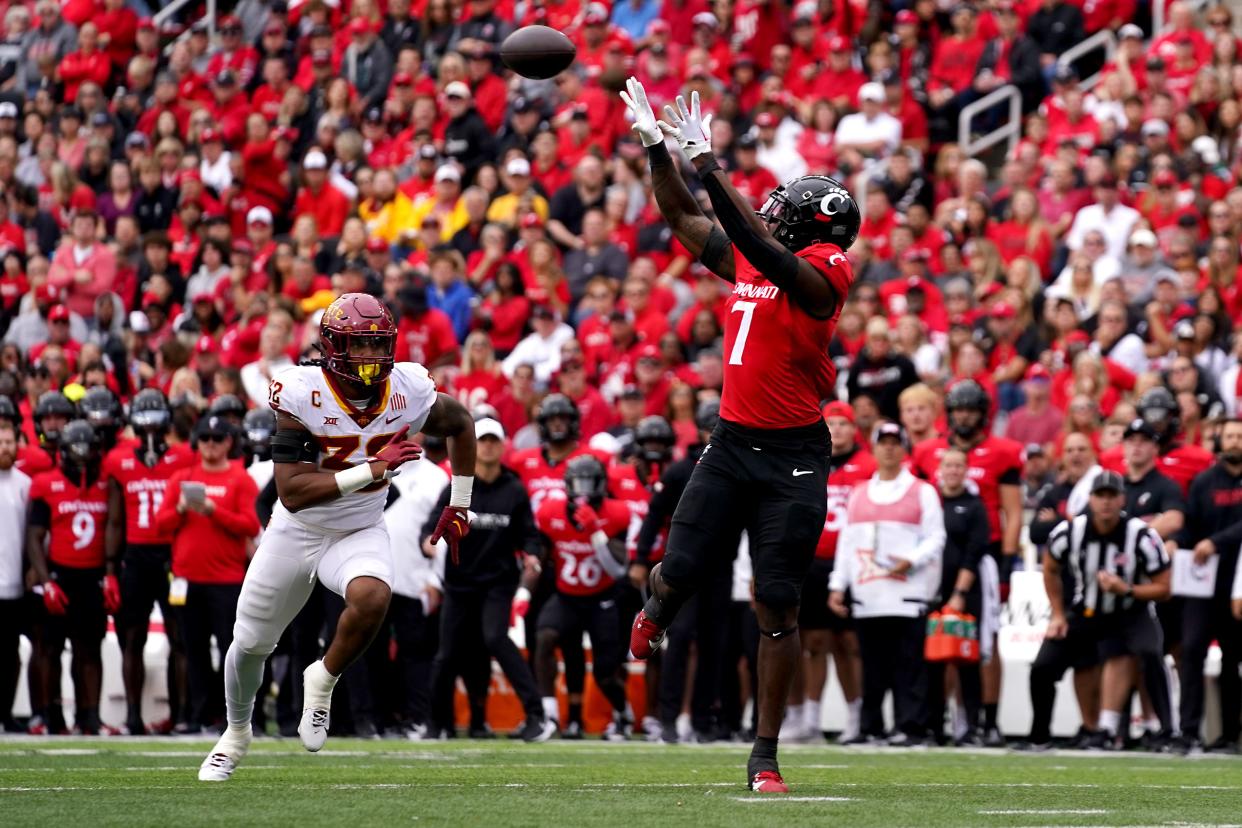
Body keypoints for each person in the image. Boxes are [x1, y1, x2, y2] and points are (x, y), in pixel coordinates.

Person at [622, 80, 857, 791]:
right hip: (731, 444)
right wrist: (659, 151)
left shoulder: (825, 271)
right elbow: (685, 219)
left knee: (778, 600)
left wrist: (711, 165)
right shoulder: (757, 255)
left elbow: (762, 244)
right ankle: (657, 607)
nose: (775, 214)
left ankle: (765, 757)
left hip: (792, 456)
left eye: (788, 209)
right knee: (682, 570)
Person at [198, 293, 477, 781]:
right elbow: (292, 492)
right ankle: (236, 733)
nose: (371, 358)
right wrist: (372, 468)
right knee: (249, 645)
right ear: (332, 347)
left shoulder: (408, 388)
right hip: (296, 531)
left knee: (373, 598)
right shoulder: (303, 390)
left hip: (358, 527)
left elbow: (461, 423)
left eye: (377, 346)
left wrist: (460, 501)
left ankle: (322, 678)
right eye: (359, 346)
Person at [425, 417, 554, 741]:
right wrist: (429, 545)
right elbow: (429, 530)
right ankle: (436, 723)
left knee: (496, 638)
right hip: (459, 584)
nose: (488, 446)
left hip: (498, 584)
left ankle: (537, 716)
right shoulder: (457, 487)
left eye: (494, 440)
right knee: (447, 654)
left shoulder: (514, 489)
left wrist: (533, 554)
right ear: (473, 445)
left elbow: (530, 535)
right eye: (482, 440)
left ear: (503, 446)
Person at [911, 379, 1023, 745]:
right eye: (958, 409)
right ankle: (942, 719)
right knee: (938, 640)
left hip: (983, 556)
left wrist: (1006, 565)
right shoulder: (928, 452)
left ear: (983, 414)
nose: (963, 416)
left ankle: (987, 719)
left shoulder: (1002, 451)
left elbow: (1012, 513)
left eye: (970, 409)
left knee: (984, 641)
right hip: (937, 557)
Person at [1024, 472, 1171, 750]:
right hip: (1087, 611)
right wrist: (1057, 613)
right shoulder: (1070, 532)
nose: (1105, 502)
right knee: (1043, 666)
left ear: (1122, 500)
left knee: (1150, 652)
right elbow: (1051, 568)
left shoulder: (1141, 535)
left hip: (1130, 610)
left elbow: (1165, 587)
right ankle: (1040, 736)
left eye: (1111, 496)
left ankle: (1165, 730)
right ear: (1090, 499)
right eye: (1100, 496)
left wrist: (1126, 589)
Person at [829, 422, 944, 744]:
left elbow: (936, 537)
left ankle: (910, 726)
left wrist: (913, 560)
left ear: (904, 448)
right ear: (875, 448)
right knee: (872, 666)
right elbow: (847, 545)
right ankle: (871, 726)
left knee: (909, 665)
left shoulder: (922, 491)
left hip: (909, 592)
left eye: (896, 442)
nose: (890, 448)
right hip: (869, 594)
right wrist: (838, 585)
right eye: (884, 442)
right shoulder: (859, 493)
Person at [155, 415, 260, 732]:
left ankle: (227, 714)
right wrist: (183, 509)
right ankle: (199, 713)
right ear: (196, 442)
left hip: (226, 580)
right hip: (188, 578)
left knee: (230, 650)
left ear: (229, 442)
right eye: (204, 439)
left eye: (217, 439)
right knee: (193, 650)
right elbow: (161, 525)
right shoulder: (180, 479)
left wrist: (215, 512)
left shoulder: (240, 479)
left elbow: (250, 526)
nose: (210, 445)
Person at [103, 388, 192, 735]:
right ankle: (133, 717)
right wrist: (111, 569)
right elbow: (113, 519)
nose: (151, 427)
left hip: (172, 556)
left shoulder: (183, 458)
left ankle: (182, 714)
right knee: (132, 636)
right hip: (136, 555)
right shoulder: (118, 461)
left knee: (178, 634)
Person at [783, 400, 871, 744]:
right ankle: (810, 718)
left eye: (844, 423)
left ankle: (855, 715)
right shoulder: (808, 461)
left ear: (855, 429)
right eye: (831, 423)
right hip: (811, 562)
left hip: (851, 564)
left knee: (848, 643)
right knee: (813, 642)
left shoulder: (867, 466)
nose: (837, 429)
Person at [26, 420, 118, 735]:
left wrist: (109, 574)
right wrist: (45, 580)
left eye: (88, 451)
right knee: (50, 649)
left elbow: (114, 526)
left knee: (89, 649)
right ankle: (51, 715)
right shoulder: (45, 483)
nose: (82, 458)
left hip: (92, 576)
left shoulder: (108, 483)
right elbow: (34, 536)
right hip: (59, 574)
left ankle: (89, 715)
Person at [532, 454, 632, 738]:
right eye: (577, 482)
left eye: (589, 482)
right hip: (566, 595)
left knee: (604, 672)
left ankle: (623, 714)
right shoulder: (550, 512)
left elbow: (618, 568)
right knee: (545, 637)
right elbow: (540, 556)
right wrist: (523, 592)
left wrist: (596, 532)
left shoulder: (616, 513)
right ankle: (551, 715)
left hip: (603, 597)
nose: (583, 489)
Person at [1172, 418, 1242, 753]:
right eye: (1230, 436)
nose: (1235, 441)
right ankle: (1188, 731)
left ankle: (1230, 735)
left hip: (1237, 585)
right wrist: (1177, 546)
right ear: (1219, 440)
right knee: (1192, 652)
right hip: (1202, 583)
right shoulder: (1203, 482)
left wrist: (1215, 541)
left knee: (1233, 658)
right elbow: (1190, 527)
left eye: (1240, 436)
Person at [927, 446, 989, 745]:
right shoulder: (930, 501)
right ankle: (935, 726)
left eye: (958, 466)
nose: (952, 471)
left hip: (964, 592)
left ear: (966, 470)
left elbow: (973, 553)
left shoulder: (975, 506)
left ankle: (970, 725)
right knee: (933, 662)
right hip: (931, 592)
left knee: (966, 660)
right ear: (940, 469)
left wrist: (959, 593)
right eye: (948, 465)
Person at [0, 423, 30, 731]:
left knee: (11, 655)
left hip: (13, 585)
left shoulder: (24, 484)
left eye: (10, 442)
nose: (6, 447)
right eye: (1, 442)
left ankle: (6, 713)